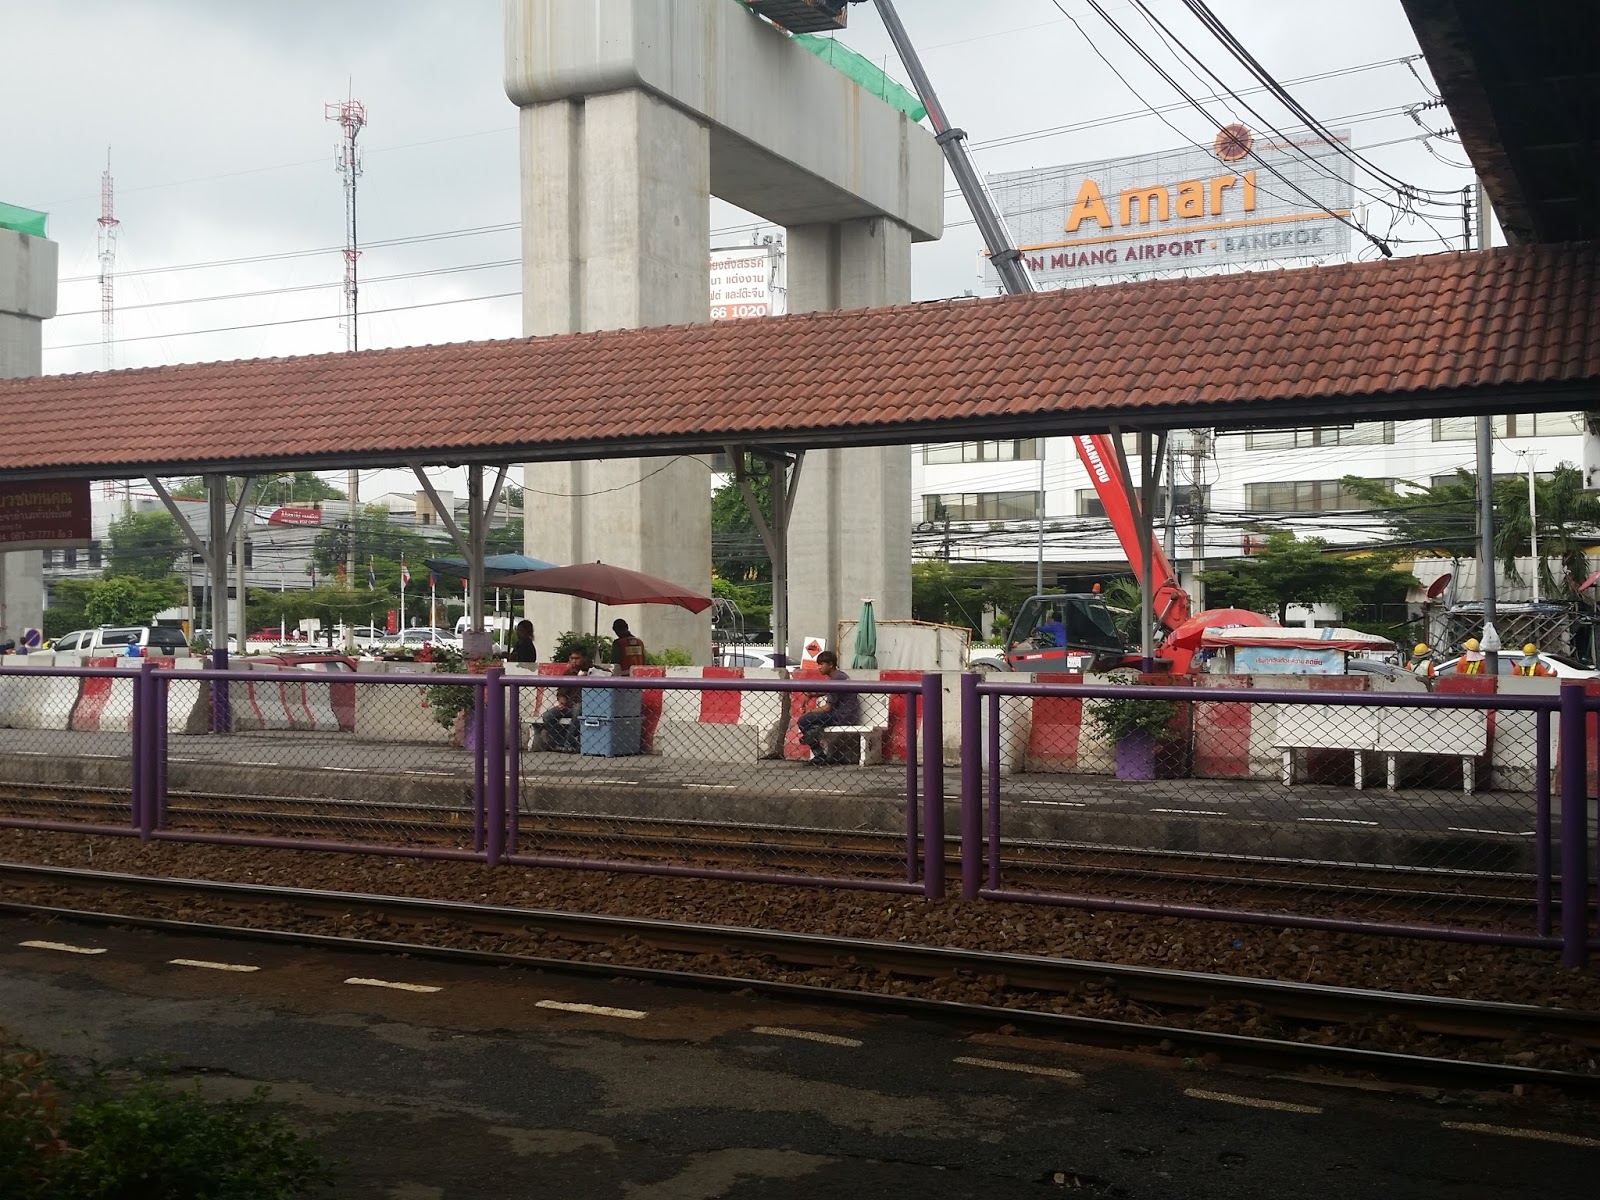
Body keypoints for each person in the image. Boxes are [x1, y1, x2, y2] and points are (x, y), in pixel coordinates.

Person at [796, 650, 860, 764]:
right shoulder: (840, 676)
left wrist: (810, 711)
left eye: (822, 664)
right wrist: (811, 695)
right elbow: (829, 691)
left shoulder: (836, 679)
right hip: (844, 714)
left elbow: (827, 708)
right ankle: (813, 733)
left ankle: (818, 753)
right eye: (818, 664)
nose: (819, 667)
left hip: (841, 716)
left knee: (803, 721)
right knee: (813, 725)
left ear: (830, 665)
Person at [541, 648, 592, 751]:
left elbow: (609, 674)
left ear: (584, 658)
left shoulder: (593, 670)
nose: (574, 661)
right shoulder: (569, 673)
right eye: (572, 658)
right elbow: (562, 691)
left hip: (587, 706)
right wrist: (562, 700)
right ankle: (562, 742)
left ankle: (568, 743)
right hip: (569, 705)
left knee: (577, 708)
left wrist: (590, 676)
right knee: (547, 716)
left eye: (577, 658)